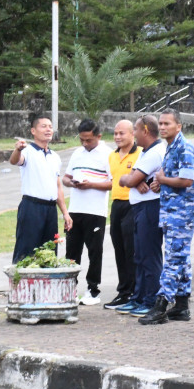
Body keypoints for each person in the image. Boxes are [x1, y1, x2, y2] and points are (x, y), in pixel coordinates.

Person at [139, 109, 194, 325]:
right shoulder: (170, 147)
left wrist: (163, 180)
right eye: (161, 124)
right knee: (181, 257)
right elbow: (169, 178)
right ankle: (182, 305)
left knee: (173, 257)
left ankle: (162, 305)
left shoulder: (185, 148)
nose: (163, 127)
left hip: (183, 212)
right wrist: (159, 183)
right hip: (171, 210)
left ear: (179, 126)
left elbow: (186, 180)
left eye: (167, 124)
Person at [115, 115, 164, 318]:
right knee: (140, 255)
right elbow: (123, 179)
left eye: (135, 130)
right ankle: (139, 298)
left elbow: (129, 178)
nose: (133, 134)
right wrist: (133, 180)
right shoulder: (146, 152)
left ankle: (150, 299)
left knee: (149, 255)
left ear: (145, 130)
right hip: (140, 207)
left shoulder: (156, 152)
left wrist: (132, 179)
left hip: (150, 207)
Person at [62, 119, 112, 306]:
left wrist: (90, 184)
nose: (85, 143)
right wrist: (73, 182)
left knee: (94, 252)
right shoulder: (77, 153)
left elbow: (113, 183)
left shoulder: (108, 154)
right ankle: (69, 289)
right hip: (75, 209)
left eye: (88, 140)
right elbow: (65, 178)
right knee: (72, 252)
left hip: (96, 211)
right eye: (82, 140)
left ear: (98, 136)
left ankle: (93, 290)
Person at [10, 115, 72, 263]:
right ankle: (23, 283)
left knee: (49, 251)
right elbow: (14, 161)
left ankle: (46, 284)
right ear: (33, 130)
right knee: (27, 250)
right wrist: (17, 149)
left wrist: (65, 213)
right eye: (43, 126)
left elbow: (57, 186)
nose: (48, 129)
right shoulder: (27, 152)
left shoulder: (55, 157)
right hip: (32, 206)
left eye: (50, 126)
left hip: (50, 209)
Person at [104, 120, 142, 310]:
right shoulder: (111, 156)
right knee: (119, 248)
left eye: (122, 133)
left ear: (132, 134)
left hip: (132, 204)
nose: (118, 137)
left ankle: (135, 291)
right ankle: (124, 291)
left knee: (131, 249)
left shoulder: (140, 153)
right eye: (115, 133)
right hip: (116, 205)